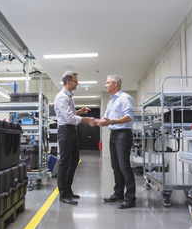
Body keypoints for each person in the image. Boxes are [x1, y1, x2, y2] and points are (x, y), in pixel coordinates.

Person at [54, 71, 96, 205]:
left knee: (74, 160)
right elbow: (69, 118)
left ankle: (68, 190)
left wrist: (79, 111)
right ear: (68, 82)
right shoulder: (61, 97)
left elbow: (71, 114)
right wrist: (87, 119)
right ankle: (63, 194)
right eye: (75, 81)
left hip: (71, 130)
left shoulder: (69, 97)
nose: (77, 83)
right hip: (65, 131)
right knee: (65, 162)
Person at [97, 74, 136, 209]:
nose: (105, 85)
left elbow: (129, 117)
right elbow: (106, 118)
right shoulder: (111, 101)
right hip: (114, 134)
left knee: (124, 166)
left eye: (108, 83)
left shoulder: (125, 98)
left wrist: (112, 121)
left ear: (115, 84)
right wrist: (97, 121)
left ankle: (130, 198)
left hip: (123, 134)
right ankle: (118, 193)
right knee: (115, 166)